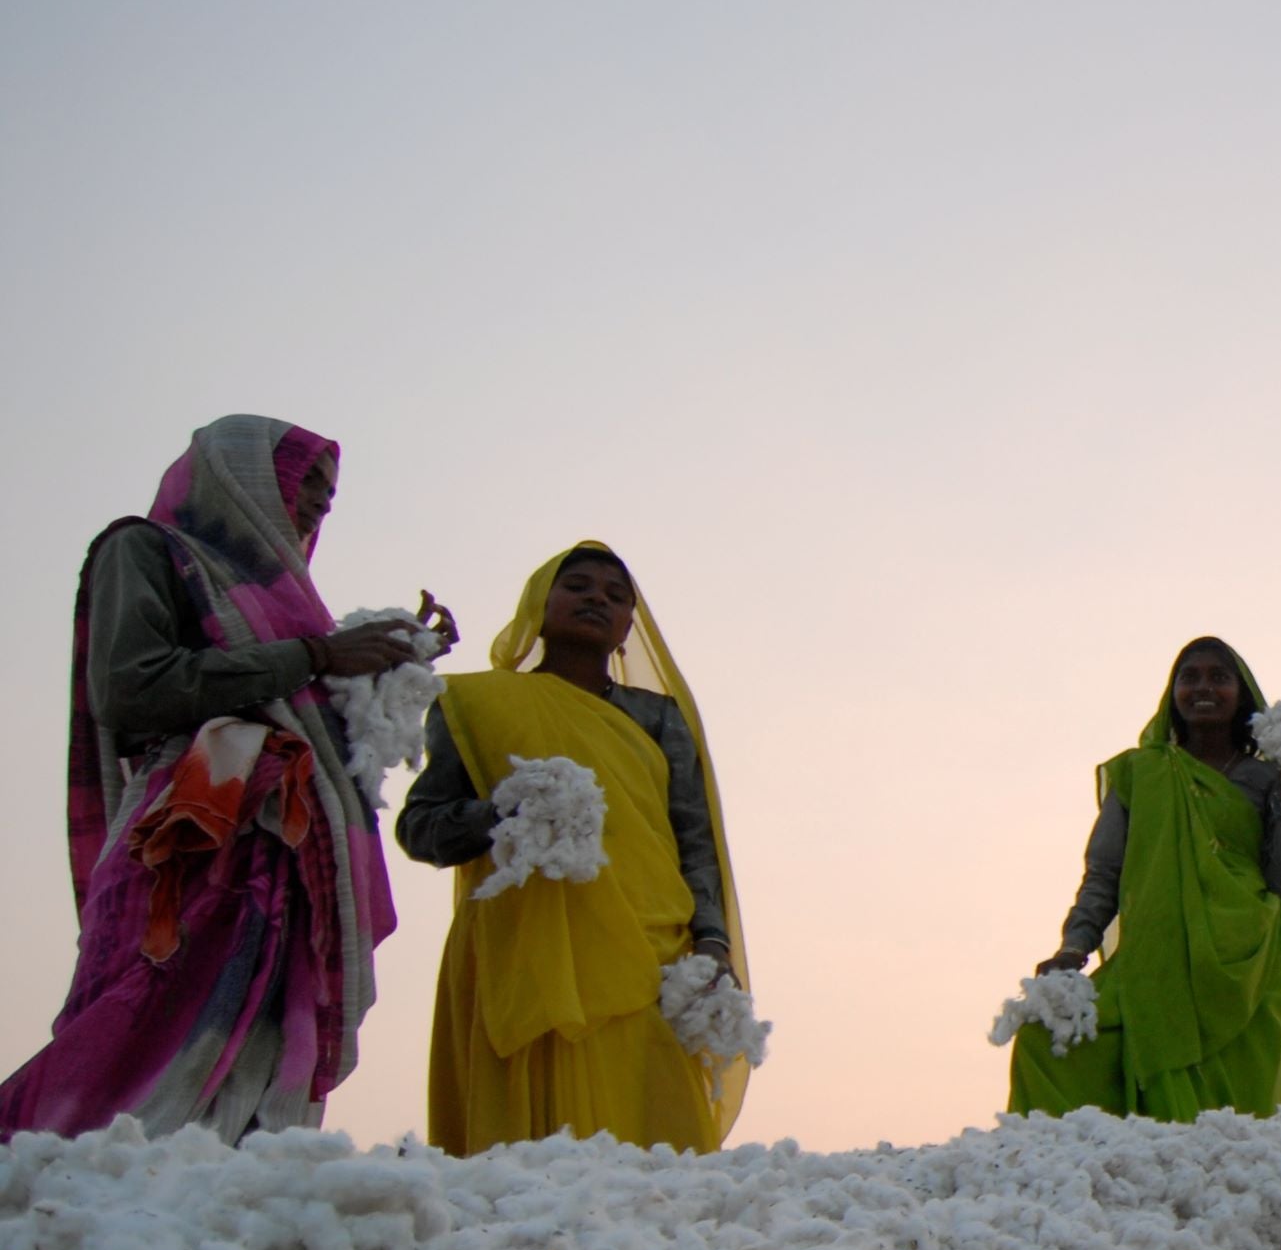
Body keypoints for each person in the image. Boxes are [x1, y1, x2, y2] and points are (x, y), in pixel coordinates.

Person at [1, 416, 441, 1140]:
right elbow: (132, 686)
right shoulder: (144, 550)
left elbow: (308, 707)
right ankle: (59, 1178)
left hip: (285, 840)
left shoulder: (286, 614)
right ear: (235, 475)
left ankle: (222, 1201)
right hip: (183, 830)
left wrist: (398, 654)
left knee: (255, 1038)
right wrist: (318, 656)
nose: (319, 504)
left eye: (329, 495)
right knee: (135, 1014)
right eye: (305, 481)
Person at [396, 542, 748, 1154]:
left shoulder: (659, 719)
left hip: (645, 952)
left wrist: (712, 944)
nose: (596, 600)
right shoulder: (476, 703)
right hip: (523, 951)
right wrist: (508, 813)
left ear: (628, 630)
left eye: (616, 597)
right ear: (540, 604)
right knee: (526, 1159)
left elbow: (694, 841)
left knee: (657, 1144)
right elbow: (421, 829)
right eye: (578, 586)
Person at [1010, 635, 1281, 1123]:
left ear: (1243, 694)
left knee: (1229, 1126)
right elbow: (1105, 872)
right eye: (1188, 677)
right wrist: (1073, 947)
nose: (1203, 688)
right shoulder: (1140, 774)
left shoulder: (1268, 779)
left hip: (1243, 974)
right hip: (1154, 969)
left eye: (1219, 677)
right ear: (1171, 694)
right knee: (1043, 1042)